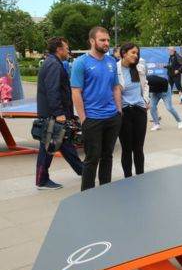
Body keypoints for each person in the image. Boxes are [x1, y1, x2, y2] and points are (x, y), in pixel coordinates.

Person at [71, 27, 122, 191]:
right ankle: (87, 194)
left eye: (107, 40)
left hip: (112, 117)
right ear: (92, 41)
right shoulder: (81, 63)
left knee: (107, 156)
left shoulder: (111, 62)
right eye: (102, 40)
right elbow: (76, 92)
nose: (106, 43)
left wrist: (119, 112)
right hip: (92, 118)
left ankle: (104, 190)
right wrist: (84, 118)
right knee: (92, 158)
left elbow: (115, 88)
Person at [35, 37, 83, 190]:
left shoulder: (53, 63)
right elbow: (52, 90)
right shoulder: (54, 65)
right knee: (48, 147)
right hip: (53, 115)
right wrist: (59, 114)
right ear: (58, 49)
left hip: (55, 114)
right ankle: (42, 181)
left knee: (65, 144)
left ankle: (83, 171)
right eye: (66, 48)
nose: (68, 50)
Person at [116, 42, 150, 178]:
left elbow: (145, 85)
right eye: (133, 53)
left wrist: (146, 101)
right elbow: (115, 91)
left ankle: (140, 176)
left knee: (139, 148)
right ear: (124, 53)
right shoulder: (115, 69)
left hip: (139, 111)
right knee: (126, 148)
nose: (136, 56)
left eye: (137, 53)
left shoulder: (139, 68)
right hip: (124, 112)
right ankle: (128, 178)